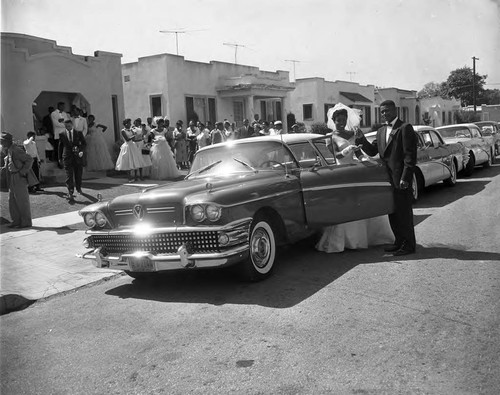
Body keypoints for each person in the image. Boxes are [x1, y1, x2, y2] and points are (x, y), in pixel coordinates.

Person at [315, 103, 394, 254]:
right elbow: (335, 156)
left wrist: (364, 158)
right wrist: (346, 150)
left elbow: (359, 154)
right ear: (334, 120)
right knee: (345, 204)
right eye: (338, 120)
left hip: (355, 171)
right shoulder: (330, 137)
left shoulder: (352, 134)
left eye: (344, 119)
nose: (341, 122)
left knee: (360, 202)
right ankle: (343, 241)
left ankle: (362, 238)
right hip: (341, 172)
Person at [355, 99, 418, 256]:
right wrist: (361, 139)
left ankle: (409, 245)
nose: (384, 114)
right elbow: (372, 151)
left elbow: (410, 156)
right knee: (393, 212)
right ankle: (398, 242)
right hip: (386, 180)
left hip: (400, 179)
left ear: (395, 110)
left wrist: (405, 177)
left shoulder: (405, 128)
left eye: (387, 111)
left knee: (404, 214)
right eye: (382, 112)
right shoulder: (381, 131)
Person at [1, 132, 33, 228]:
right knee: (12, 200)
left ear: (7, 141)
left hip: (19, 177)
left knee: (22, 201)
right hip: (12, 177)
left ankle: (26, 222)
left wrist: (22, 172)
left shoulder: (16, 150)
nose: (1, 143)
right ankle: (16, 221)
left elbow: (29, 159)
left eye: (2, 141)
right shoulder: (9, 150)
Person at [58, 119, 87, 201]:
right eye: (66, 126)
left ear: (72, 125)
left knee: (78, 174)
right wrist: (59, 158)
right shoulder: (62, 134)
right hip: (67, 156)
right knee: (69, 175)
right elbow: (60, 147)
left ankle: (79, 188)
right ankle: (70, 191)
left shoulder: (78, 133)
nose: (68, 128)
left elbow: (84, 143)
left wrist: (81, 150)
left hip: (77, 156)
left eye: (69, 126)